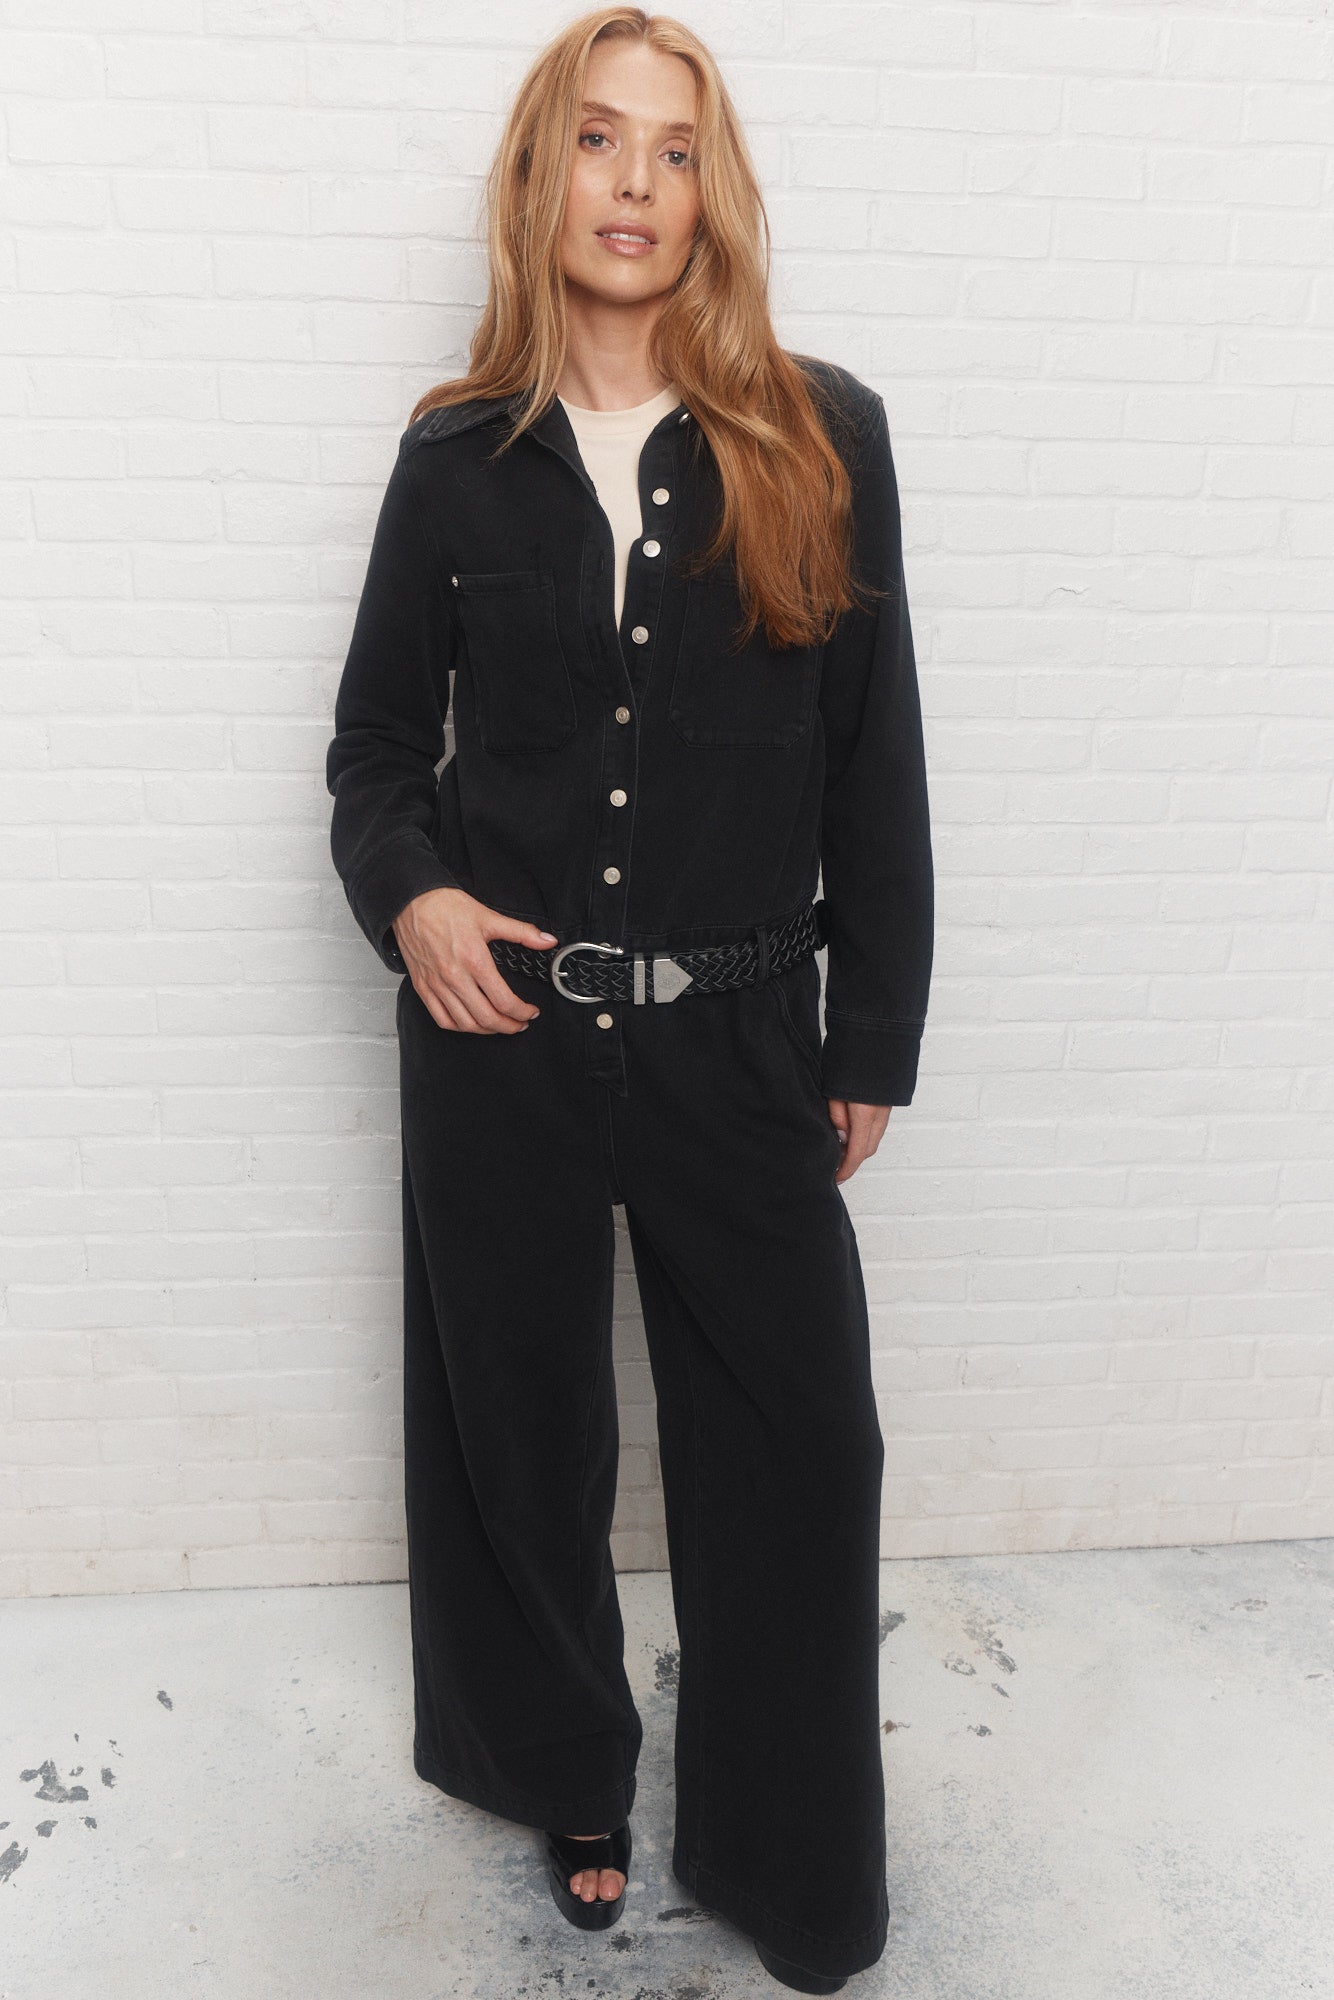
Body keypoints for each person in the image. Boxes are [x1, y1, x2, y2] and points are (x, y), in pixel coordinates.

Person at [324, 7, 933, 1991]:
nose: (637, 185)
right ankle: (566, 1769)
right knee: (515, 1429)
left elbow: (874, 755)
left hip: (740, 1031)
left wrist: (870, 1032)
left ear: (711, 195)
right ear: (542, 177)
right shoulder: (453, 458)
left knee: (800, 1448)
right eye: (600, 141)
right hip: (498, 1036)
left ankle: (784, 1854)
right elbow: (372, 756)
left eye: (676, 151)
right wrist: (413, 896)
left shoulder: (822, 434)